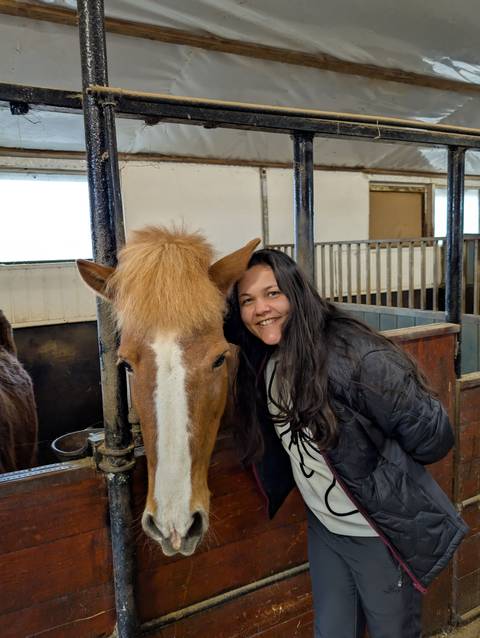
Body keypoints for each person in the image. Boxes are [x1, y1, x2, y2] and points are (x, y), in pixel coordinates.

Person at [224, 248, 468, 638]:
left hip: (377, 530)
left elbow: (434, 437)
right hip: (326, 526)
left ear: (297, 293)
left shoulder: (353, 354)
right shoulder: (264, 361)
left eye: (273, 294)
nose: (260, 309)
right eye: (247, 301)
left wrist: (381, 468)